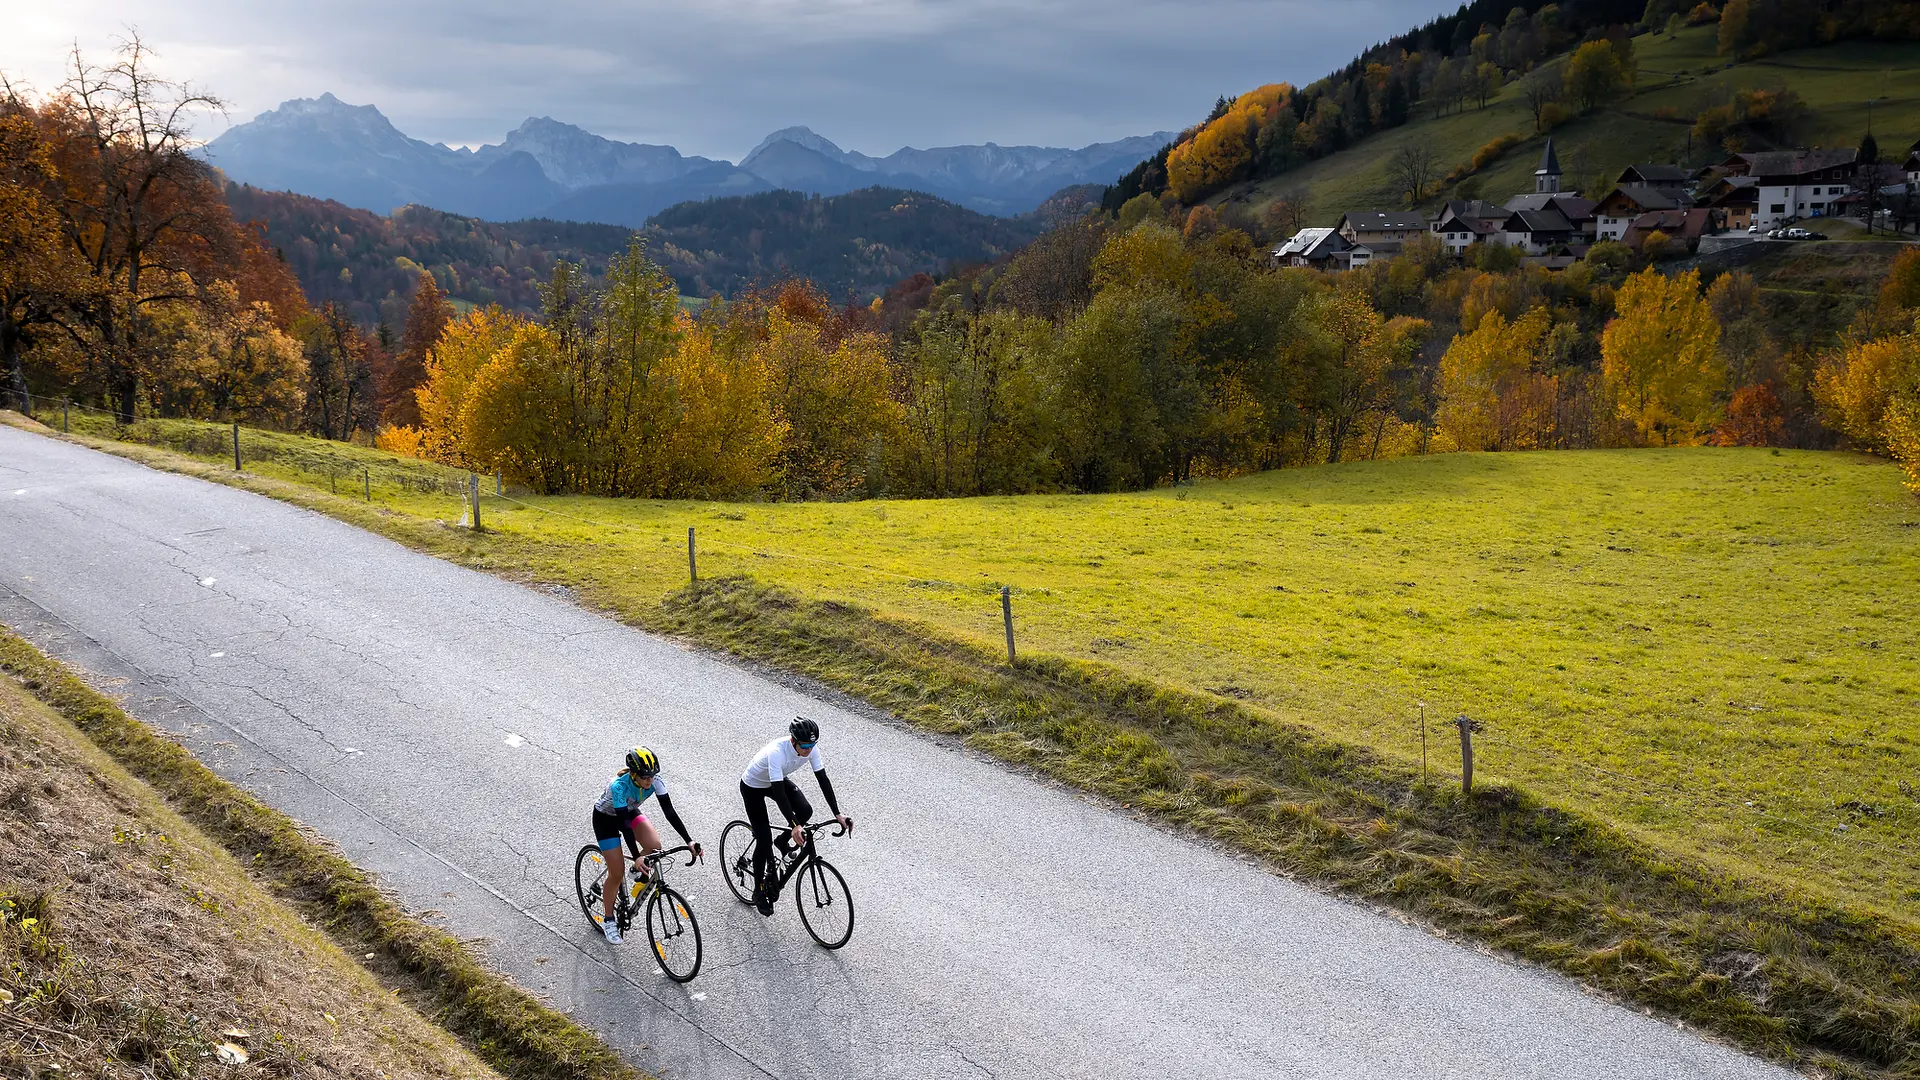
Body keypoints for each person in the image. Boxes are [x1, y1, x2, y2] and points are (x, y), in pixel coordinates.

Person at [739, 717, 851, 916]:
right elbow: (780, 793)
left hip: (778, 780)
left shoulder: (811, 748)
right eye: (805, 746)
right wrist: (794, 825)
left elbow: (823, 780)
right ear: (793, 741)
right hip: (753, 787)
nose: (809, 750)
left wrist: (838, 813)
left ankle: (781, 842)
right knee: (763, 841)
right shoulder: (777, 752)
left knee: (806, 811)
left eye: (812, 745)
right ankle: (758, 891)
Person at [591, 745, 700, 944]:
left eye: (652, 776)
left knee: (655, 845)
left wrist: (689, 840)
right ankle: (608, 920)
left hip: (628, 811)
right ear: (633, 775)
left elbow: (670, 812)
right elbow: (624, 826)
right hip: (606, 820)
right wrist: (637, 855)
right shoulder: (619, 787)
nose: (650, 781)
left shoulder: (655, 781)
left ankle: (635, 869)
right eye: (645, 777)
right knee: (616, 873)